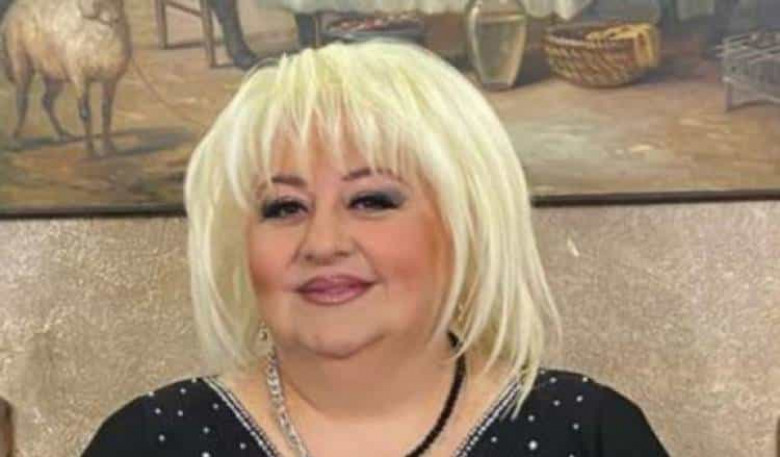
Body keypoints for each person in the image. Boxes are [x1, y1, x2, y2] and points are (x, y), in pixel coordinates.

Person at [81, 41, 670, 457]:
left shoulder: (590, 434)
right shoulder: (148, 442)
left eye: (371, 200)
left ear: (464, 223)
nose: (323, 243)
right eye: (284, 207)